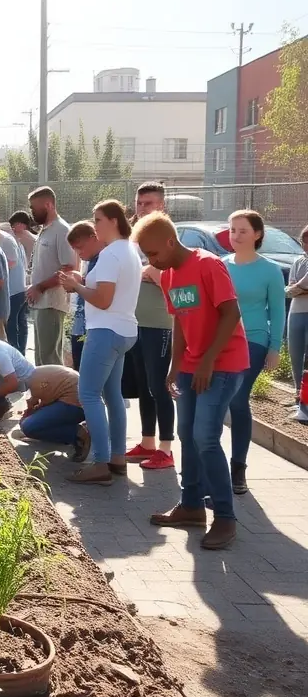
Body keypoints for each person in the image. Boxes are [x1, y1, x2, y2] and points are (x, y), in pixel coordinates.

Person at [133, 212, 248, 550]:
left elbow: (231, 313)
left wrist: (208, 361)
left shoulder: (208, 264)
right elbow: (181, 322)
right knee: (186, 434)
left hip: (223, 366)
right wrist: (175, 365)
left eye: (154, 254)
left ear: (170, 241)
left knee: (205, 437)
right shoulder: (168, 275)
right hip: (192, 367)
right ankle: (192, 506)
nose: (152, 262)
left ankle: (225, 517)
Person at [59, 201, 141, 486]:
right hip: (125, 331)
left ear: (115, 221)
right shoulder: (128, 251)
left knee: (89, 395)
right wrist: (83, 280)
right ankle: (117, 458)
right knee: (113, 396)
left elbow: (103, 300)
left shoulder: (109, 255)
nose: (94, 225)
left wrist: (77, 287)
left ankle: (101, 463)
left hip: (105, 331)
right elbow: (110, 293)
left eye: (98, 220)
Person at [223, 209, 286, 495]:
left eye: (243, 231)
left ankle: (238, 468)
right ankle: (215, 465)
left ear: (257, 234)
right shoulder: (221, 265)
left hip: (254, 341)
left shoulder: (270, 270)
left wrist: (274, 348)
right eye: (232, 230)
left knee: (237, 400)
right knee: (219, 402)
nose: (236, 236)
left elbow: (277, 311)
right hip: (222, 342)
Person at [124, 182, 177, 471]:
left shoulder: (169, 237)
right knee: (143, 386)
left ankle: (166, 449)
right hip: (134, 322)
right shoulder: (133, 238)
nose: (142, 208)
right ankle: (147, 442)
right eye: (139, 203)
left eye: (149, 203)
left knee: (159, 385)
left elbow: (176, 280)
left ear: (162, 206)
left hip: (159, 323)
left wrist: (155, 273)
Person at [27, 188, 78, 365]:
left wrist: (40, 287)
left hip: (52, 303)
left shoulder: (62, 230)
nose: (31, 212)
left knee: (50, 358)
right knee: (41, 357)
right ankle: (42, 392)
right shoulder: (45, 230)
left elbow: (68, 269)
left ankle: (56, 393)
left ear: (48, 205)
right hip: (41, 302)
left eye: (34, 208)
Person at [18, 364, 89, 461]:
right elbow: (41, 402)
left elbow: (42, 404)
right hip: (77, 401)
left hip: (75, 404)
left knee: (28, 427)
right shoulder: (37, 374)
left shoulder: (34, 382)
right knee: (32, 422)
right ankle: (64, 435)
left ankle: (78, 433)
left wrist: (30, 414)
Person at [0, 214, 27, 352]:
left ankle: (16, 354)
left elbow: (12, 262)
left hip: (14, 289)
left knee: (13, 323)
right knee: (17, 322)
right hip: (11, 288)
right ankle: (18, 354)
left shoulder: (5, 240)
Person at [65, 221, 104, 372]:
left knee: (87, 373)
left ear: (93, 238)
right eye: (75, 249)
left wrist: (76, 286)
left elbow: (99, 294)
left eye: (80, 247)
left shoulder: (103, 259)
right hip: (81, 324)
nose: (78, 253)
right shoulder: (90, 260)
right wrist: (78, 282)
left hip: (91, 328)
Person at [285, 224, 308, 404]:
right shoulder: (298, 262)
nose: (306, 245)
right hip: (296, 311)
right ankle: (298, 391)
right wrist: (299, 289)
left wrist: (297, 288)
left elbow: (298, 286)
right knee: (296, 351)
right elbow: (291, 288)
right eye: (304, 242)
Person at [8, 210, 37, 275]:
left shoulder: (30, 240)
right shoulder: (13, 234)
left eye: (14, 225)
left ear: (22, 225)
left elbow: (29, 260)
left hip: (23, 272)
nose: (12, 228)